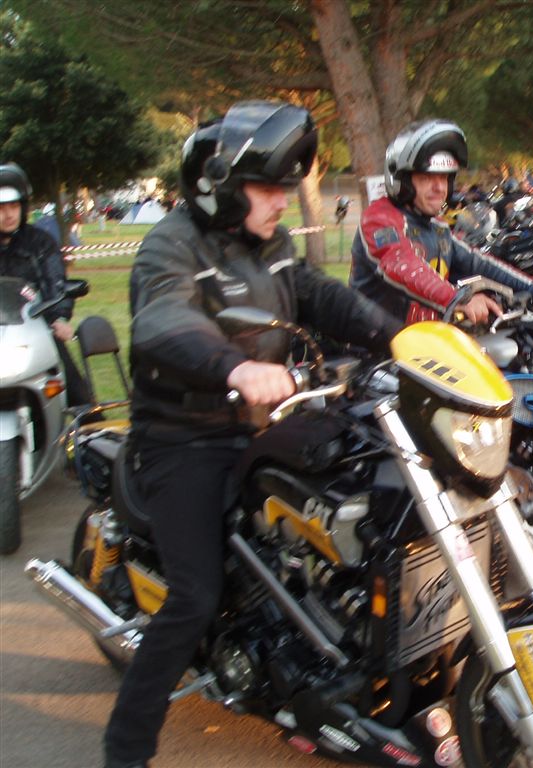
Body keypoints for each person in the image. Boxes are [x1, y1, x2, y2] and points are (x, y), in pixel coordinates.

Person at [103, 101, 401, 768]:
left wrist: (402, 336)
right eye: (267, 188)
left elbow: (321, 295)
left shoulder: (273, 243)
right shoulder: (170, 244)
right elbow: (163, 318)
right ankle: (124, 751)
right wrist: (234, 366)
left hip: (266, 422)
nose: (282, 200)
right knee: (194, 597)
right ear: (220, 186)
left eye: (285, 187)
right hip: (186, 435)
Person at [350, 119, 533, 325]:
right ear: (402, 180)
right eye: (426, 177)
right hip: (374, 340)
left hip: (426, 339)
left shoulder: (437, 227)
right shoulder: (380, 217)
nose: (439, 188)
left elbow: (478, 263)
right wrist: (457, 299)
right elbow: (399, 263)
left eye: (444, 178)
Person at [0, 162, 91, 407]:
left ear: (23, 207)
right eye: (1, 207)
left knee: (75, 391)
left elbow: (55, 281)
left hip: (36, 331)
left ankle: (86, 425)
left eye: (14, 206)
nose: (8, 214)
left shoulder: (40, 242)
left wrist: (59, 318)